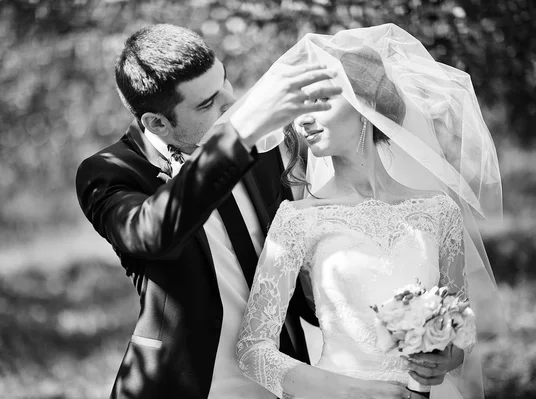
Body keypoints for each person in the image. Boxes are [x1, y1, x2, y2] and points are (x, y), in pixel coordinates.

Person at [75, 24, 351, 399]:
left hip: (280, 377)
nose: (231, 104)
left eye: (224, 83)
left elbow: (287, 273)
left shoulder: (262, 148)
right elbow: (151, 233)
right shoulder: (109, 171)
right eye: (207, 104)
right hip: (185, 385)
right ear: (157, 123)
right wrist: (236, 135)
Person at [236, 24, 505, 399]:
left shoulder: (438, 211)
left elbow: (461, 327)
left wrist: (447, 356)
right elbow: (253, 351)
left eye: (320, 102)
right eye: (300, 108)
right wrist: (351, 391)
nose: (303, 121)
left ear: (365, 105)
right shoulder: (297, 219)